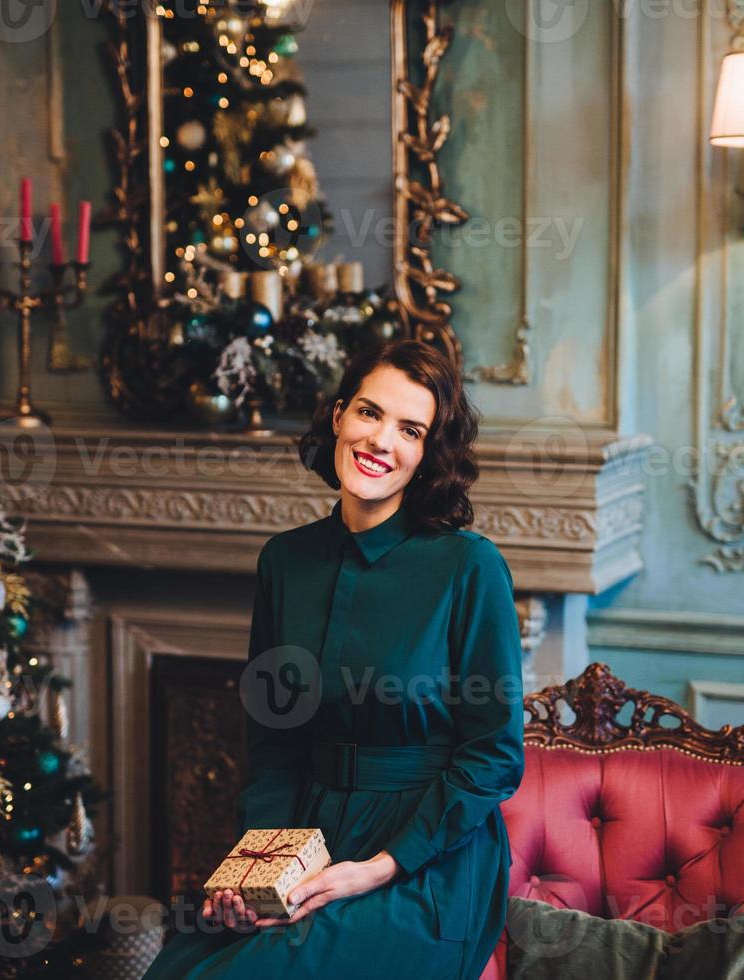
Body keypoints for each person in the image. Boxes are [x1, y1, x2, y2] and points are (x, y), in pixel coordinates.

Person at [142, 339, 525, 979]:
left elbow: (493, 757)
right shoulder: (285, 561)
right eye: (370, 414)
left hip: (425, 864)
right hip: (308, 840)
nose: (381, 441)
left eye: (411, 429)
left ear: (428, 454)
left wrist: (377, 867)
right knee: (178, 968)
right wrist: (254, 871)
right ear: (340, 415)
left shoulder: (469, 566)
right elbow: (275, 739)